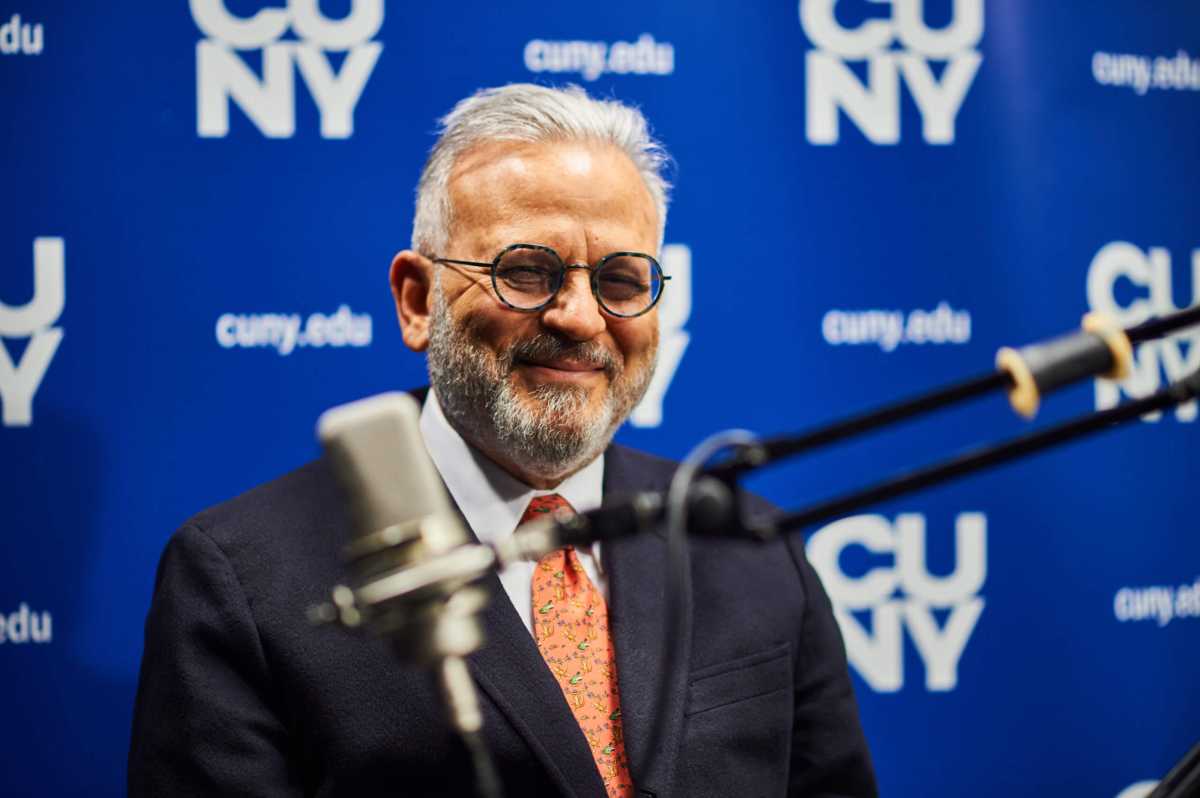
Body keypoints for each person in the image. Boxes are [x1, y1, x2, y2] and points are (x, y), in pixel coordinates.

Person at [129, 83, 877, 798]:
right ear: (417, 300)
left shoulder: (748, 542)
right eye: (525, 271)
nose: (580, 317)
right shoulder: (241, 578)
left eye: (621, 281)